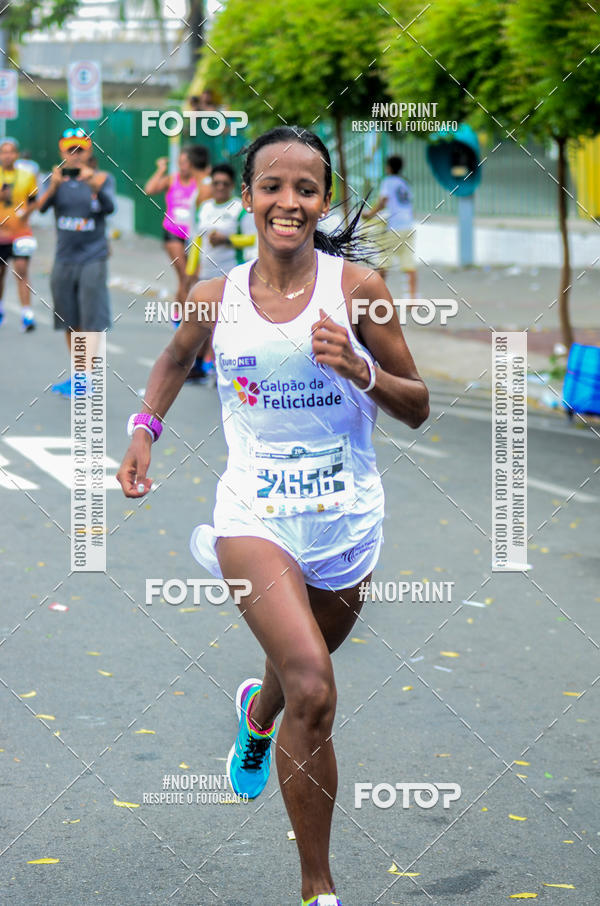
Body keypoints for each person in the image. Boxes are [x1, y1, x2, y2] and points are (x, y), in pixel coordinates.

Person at [117, 125, 429, 906]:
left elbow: (419, 405)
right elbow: (175, 358)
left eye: (306, 189)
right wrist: (143, 431)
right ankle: (319, 890)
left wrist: (360, 369)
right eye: (273, 187)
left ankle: (257, 719)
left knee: (293, 677)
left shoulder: (359, 289)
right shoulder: (214, 297)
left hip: (344, 520)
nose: (289, 201)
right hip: (253, 515)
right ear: (249, 197)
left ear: (324, 201)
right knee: (314, 689)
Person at [38, 127, 116, 398]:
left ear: (88, 151)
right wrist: (54, 186)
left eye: (79, 149)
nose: (75, 154)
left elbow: (110, 208)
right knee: (68, 320)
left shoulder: (102, 178)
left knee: (91, 320)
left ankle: (87, 377)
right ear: (62, 152)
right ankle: (78, 375)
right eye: (70, 150)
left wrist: (94, 186)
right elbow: (41, 208)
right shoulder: (55, 180)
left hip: (93, 258)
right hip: (64, 258)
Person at [185, 163, 256, 381]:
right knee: (201, 321)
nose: (220, 187)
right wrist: (190, 271)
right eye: (216, 183)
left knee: (225, 323)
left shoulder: (239, 209)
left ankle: (224, 368)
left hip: (230, 274)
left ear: (232, 185)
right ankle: (198, 364)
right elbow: (197, 240)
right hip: (206, 273)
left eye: (225, 184)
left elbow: (252, 239)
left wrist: (228, 240)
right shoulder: (205, 208)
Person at [144, 145, 211, 309]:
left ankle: (181, 313)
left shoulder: (199, 181)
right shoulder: (172, 179)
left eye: (186, 162)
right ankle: (183, 316)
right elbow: (149, 189)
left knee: (193, 277)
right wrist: (161, 170)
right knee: (184, 275)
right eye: (180, 163)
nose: (183, 166)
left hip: (192, 235)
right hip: (173, 233)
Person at [363, 154, 417, 297]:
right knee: (409, 263)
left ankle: (378, 296)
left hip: (394, 227)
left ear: (389, 167)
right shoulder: (405, 183)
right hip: (408, 226)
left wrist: (369, 214)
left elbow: (382, 202)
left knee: (384, 261)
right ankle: (412, 298)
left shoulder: (388, 181)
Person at [0, 137, 39, 330]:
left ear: (17, 155)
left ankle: (27, 314)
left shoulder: (27, 176)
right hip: (1, 234)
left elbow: (34, 201)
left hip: (21, 232)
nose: (8, 156)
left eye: (11, 152)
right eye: (4, 152)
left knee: (22, 270)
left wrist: (26, 213)